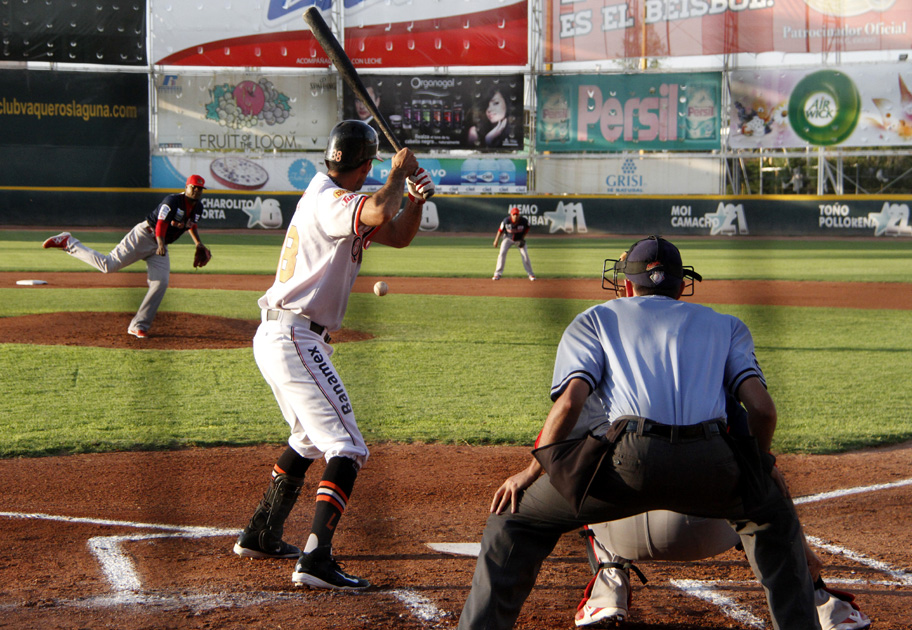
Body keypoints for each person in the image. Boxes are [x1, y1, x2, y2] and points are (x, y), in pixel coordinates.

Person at [458, 235, 821, 629]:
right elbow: (764, 411)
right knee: (773, 514)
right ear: (682, 285)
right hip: (712, 462)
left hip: (625, 463)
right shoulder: (726, 325)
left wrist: (530, 473)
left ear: (627, 285)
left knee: (516, 521)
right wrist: (759, 466)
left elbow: (568, 405)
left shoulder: (596, 318)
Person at [232, 120, 434, 590]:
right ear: (362, 165)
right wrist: (400, 175)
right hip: (294, 337)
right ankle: (316, 557)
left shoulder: (335, 198)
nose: (370, 174)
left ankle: (261, 532)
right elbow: (382, 205)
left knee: (306, 438)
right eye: (370, 167)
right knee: (348, 446)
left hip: (289, 337)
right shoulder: (330, 200)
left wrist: (417, 202)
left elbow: (397, 232)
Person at [575, 514, 871, 629]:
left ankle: (607, 593)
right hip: (714, 530)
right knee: (761, 490)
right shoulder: (709, 392)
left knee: (589, 486)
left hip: (625, 533)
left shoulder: (611, 398)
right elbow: (762, 416)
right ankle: (823, 604)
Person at [41, 174, 211, 338]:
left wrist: (198, 243)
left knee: (161, 283)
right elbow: (160, 224)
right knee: (108, 265)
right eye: (194, 187)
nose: (197, 191)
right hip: (145, 236)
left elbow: (191, 225)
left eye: (200, 188)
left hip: (160, 246)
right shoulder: (172, 201)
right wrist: (160, 242)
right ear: (186, 187)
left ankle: (138, 326)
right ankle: (68, 242)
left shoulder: (198, 207)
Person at [492, 207, 535, 281]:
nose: (515, 216)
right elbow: (500, 231)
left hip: (519, 239)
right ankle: (497, 274)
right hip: (508, 238)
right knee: (502, 253)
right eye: (514, 214)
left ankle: (531, 274)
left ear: (519, 215)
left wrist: (522, 237)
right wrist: (496, 241)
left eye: (517, 214)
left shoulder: (524, 221)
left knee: (525, 254)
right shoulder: (506, 221)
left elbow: (528, 227)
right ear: (511, 215)